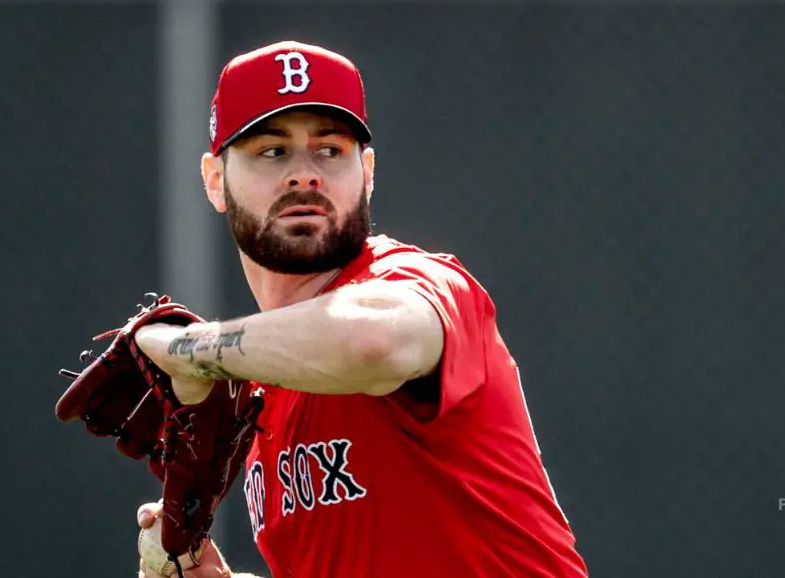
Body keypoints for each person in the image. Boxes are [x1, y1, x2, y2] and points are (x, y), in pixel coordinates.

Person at [131, 41, 589, 577]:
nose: (304, 173)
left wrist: (189, 349)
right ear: (215, 180)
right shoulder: (266, 391)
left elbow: (372, 341)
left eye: (330, 149)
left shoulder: (421, 283)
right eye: (271, 151)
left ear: (367, 171)